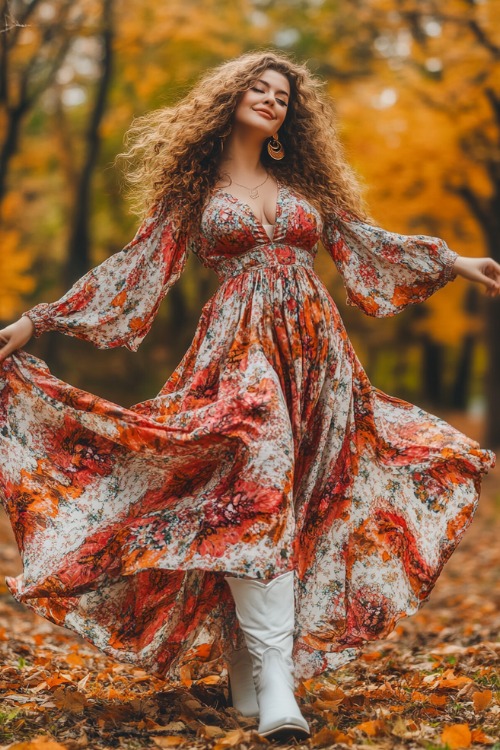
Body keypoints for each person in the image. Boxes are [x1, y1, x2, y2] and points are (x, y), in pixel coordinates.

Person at [0, 50, 498, 740]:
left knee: (301, 503)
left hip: (318, 359)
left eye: (284, 95)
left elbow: (364, 242)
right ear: (230, 98)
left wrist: (453, 261)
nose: (272, 99)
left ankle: (248, 662)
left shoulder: (303, 186)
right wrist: (39, 320)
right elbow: (134, 268)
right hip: (238, 357)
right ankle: (274, 682)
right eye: (259, 88)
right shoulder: (195, 192)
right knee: (254, 492)